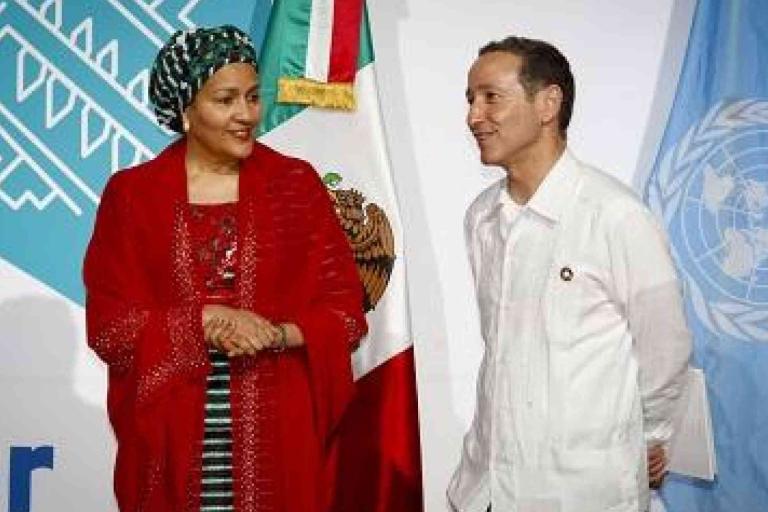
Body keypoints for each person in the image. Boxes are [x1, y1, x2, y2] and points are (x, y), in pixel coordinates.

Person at [83, 25, 367, 512]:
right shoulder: (133, 196)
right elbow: (110, 329)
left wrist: (276, 334)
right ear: (186, 110)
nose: (247, 115)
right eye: (226, 99)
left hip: (281, 440)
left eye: (254, 97)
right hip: (171, 442)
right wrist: (206, 320)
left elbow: (345, 314)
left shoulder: (294, 186)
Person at [447, 36, 692, 512]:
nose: (474, 117)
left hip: (584, 495)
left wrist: (646, 438)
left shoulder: (616, 215)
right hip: (486, 488)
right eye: (470, 99)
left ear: (548, 103)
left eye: (490, 97)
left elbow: (666, 345)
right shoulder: (481, 217)